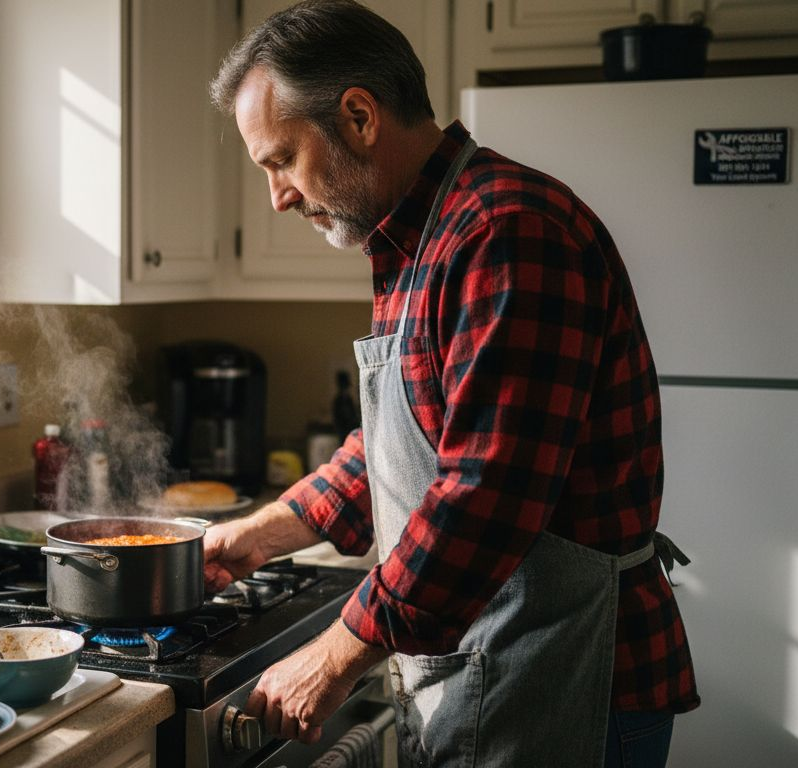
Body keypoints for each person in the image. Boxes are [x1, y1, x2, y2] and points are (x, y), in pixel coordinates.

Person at [202, 2, 699, 766]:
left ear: (360, 117)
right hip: (501, 664)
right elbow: (405, 447)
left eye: (281, 160)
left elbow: (484, 495)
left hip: (573, 680)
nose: (279, 196)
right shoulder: (422, 236)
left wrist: (336, 653)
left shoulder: (506, 234)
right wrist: (262, 534)